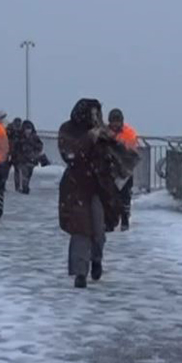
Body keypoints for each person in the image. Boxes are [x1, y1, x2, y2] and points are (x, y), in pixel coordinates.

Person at [58, 98, 126, 289]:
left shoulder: (102, 131)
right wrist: (89, 138)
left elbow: (113, 156)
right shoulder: (68, 129)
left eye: (98, 113)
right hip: (76, 187)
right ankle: (80, 272)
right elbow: (69, 154)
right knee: (80, 230)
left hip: (98, 187)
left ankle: (96, 258)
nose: (95, 117)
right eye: (92, 113)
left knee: (98, 229)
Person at [108, 108, 139, 231]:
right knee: (110, 195)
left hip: (125, 168)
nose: (115, 124)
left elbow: (131, 150)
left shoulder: (129, 132)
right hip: (109, 168)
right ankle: (111, 220)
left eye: (117, 121)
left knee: (125, 195)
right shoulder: (104, 132)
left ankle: (125, 220)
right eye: (113, 121)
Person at [14, 120, 44, 195]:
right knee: (24, 174)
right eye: (26, 129)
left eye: (29, 129)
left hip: (32, 159)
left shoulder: (34, 137)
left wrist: (35, 152)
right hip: (23, 160)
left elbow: (40, 146)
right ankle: (24, 187)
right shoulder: (20, 138)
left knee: (29, 174)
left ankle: (25, 186)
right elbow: (17, 148)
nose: (28, 131)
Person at [6, 117, 24, 191]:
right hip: (10, 153)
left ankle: (17, 187)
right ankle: (3, 185)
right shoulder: (9, 130)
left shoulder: (21, 131)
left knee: (17, 171)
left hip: (16, 154)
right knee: (6, 171)